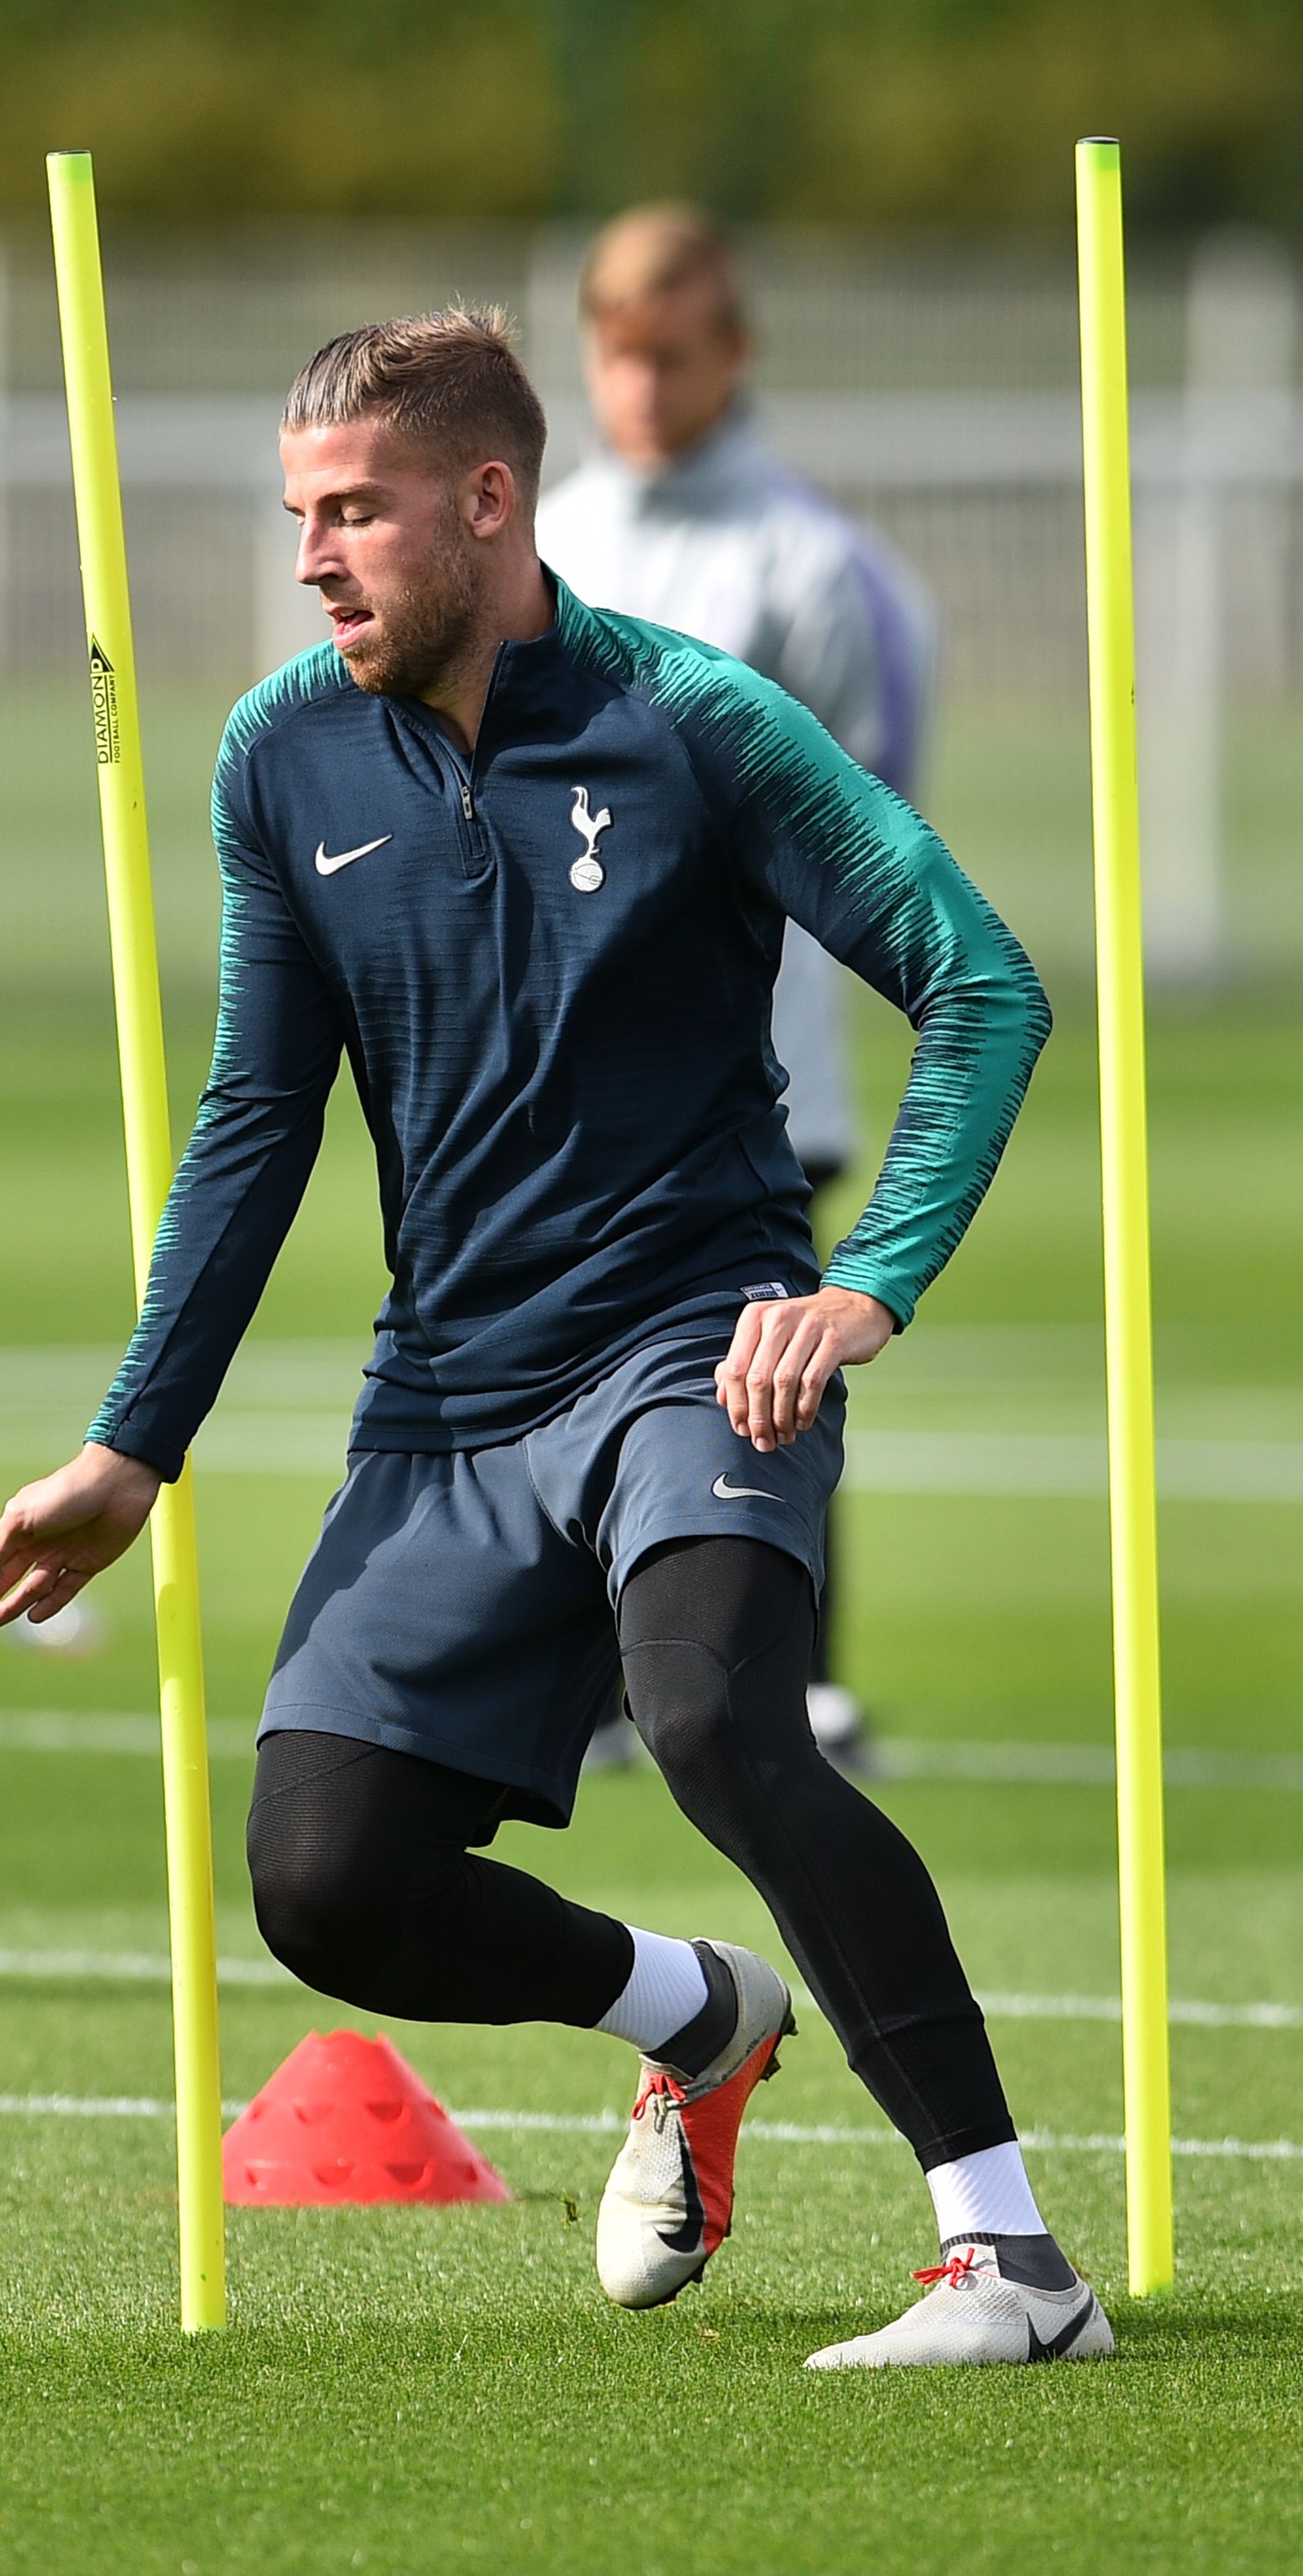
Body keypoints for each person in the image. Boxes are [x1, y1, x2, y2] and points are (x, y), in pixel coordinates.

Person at [0, 311, 1100, 2369]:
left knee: (723, 1717)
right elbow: (252, 1120)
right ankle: (696, 2017)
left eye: (356, 512)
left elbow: (983, 983)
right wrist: (137, 1442)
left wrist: (870, 1278)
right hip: (450, 1396)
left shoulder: (699, 724)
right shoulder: (274, 753)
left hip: (693, 1342)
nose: (315, 556)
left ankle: (1012, 2263)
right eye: (298, 515)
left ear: (490, 500)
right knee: (325, 1881)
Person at [538, 206, 934, 1773]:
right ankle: (575, 1680)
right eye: (615, 354)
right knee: (550, 1356)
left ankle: (785, 1677)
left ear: (734, 353)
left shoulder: (812, 564)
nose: (639, 384)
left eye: (670, 353)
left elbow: (864, 820)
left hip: (757, 1071)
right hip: (561, 1061)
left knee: (759, 1373)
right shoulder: (540, 535)